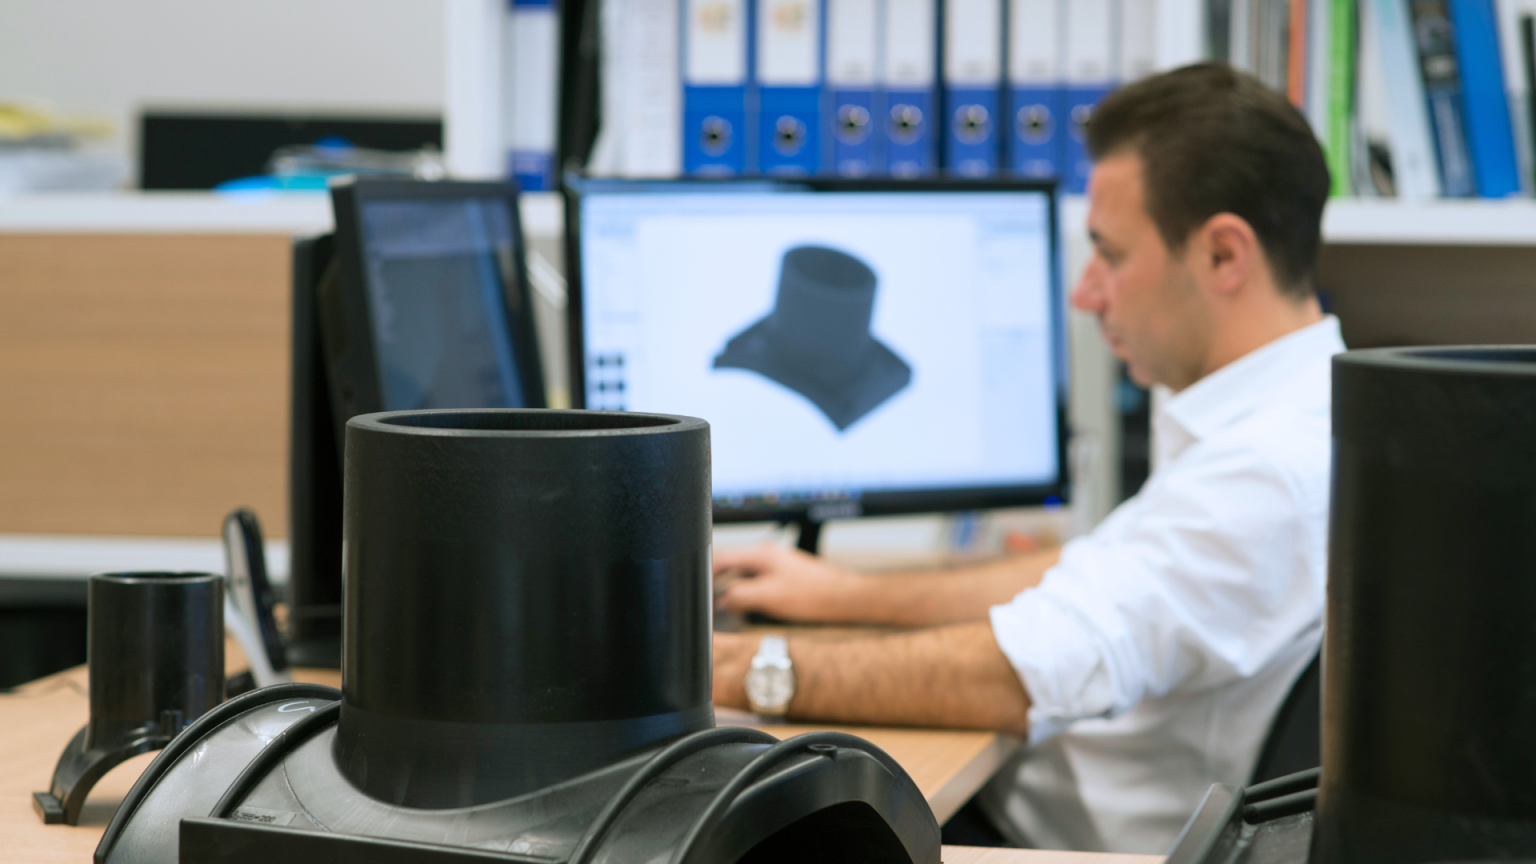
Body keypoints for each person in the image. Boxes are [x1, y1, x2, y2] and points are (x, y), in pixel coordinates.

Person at [710, 63, 1343, 854]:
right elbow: (1085, 574)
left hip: (1044, 846)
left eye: (1109, 252)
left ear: (1223, 255)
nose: (1086, 292)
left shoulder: (1264, 471)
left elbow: (1016, 674)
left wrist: (731, 666)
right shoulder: (1292, 412)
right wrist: (840, 594)